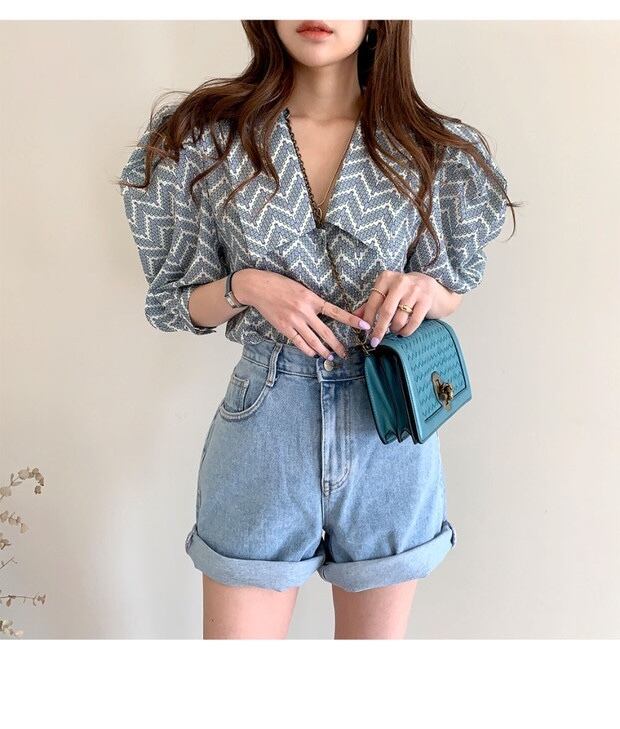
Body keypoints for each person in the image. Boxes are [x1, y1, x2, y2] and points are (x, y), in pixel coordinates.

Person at [118, 20, 515, 639]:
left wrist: (425, 291)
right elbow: (175, 304)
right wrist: (246, 285)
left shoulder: (431, 149)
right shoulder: (207, 143)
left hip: (390, 423)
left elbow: (451, 290)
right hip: (265, 419)